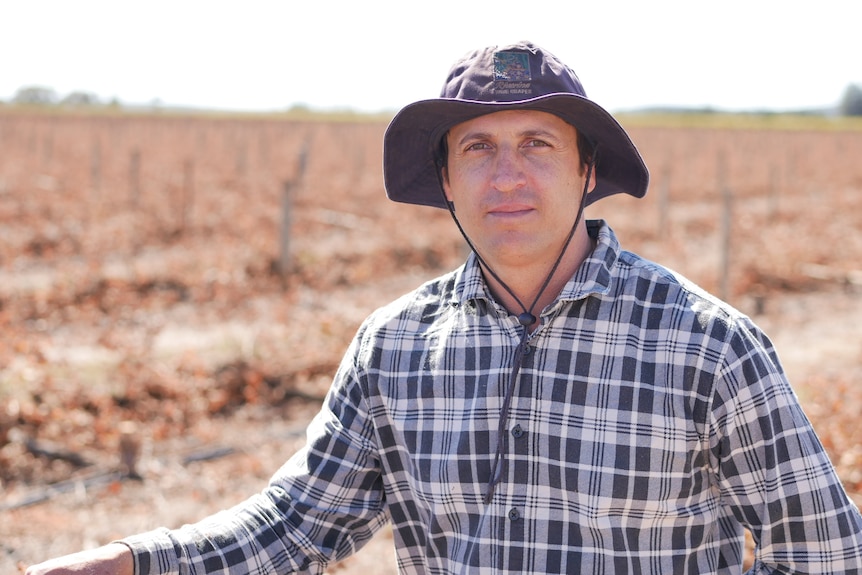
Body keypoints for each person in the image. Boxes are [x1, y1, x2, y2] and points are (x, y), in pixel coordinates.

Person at [27, 41, 862, 575]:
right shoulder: (393, 348)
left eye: (537, 145)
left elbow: (823, 552)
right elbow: (294, 525)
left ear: (584, 173)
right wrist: (133, 560)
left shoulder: (708, 344)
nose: (507, 176)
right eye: (478, 149)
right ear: (448, 183)